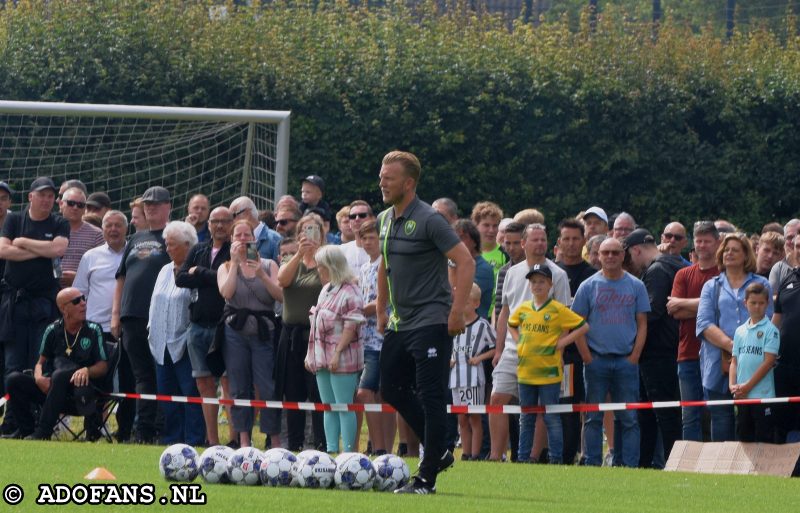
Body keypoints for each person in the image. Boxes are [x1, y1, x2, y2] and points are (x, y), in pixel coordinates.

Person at [376, 150, 474, 494]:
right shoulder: (384, 218)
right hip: (401, 324)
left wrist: (457, 311)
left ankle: (426, 478)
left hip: (432, 320)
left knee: (432, 397)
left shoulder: (431, 219)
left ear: (409, 183)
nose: (382, 183)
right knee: (390, 387)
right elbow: (383, 266)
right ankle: (442, 449)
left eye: (389, 178)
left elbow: (465, 262)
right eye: (381, 176)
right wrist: (381, 309)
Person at [490, 223, 569, 462]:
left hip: (544, 354)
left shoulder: (558, 274)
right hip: (513, 352)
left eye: (543, 239)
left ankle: (532, 457)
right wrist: (499, 348)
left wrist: (559, 351)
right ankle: (496, 456)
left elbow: (565, 319)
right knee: (497, 400)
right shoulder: (511, 273)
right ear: (523, 244)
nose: (540, 244)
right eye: (535, 240)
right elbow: (505, 313)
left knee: (542, 409)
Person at [572, 237, 650, 467]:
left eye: (615, 252)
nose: (610, 257)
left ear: (623, 255)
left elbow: (642, 323)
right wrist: (587, 357)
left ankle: (630, 464)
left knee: (628, 418)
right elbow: (576, 324)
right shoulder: (588, 286)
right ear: (598, 256)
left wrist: (635, 356)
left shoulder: (636, 286)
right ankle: (593, 462)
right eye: (605, 253)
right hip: (596, 360)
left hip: (626, 361)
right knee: (593, 417)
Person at [0, 177, 69, 431]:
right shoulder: (14, 219)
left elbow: (59, 249)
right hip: (14, 305)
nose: (47, 200)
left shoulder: (59, 222)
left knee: (38, 364)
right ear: (31, 197)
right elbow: (4, 251)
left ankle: (36, 422)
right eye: (42, 195)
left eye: (51, 196)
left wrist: (24, 243)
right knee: (13, 365)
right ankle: (12, 422)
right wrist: (43, 249)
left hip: (44, 305)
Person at [2, 287, 107, 440]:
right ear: (64, 309)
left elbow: (103, 366)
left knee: (60, 374)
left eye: (84, 299)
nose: (83, 304)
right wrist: (38, 378)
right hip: (53, 392)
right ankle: (27, 430)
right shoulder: (52, 330)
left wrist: (87, 370)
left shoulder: (93, 329)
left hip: (81, 394)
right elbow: (39, 363)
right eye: (77, 301)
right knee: (13, 380)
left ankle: (43, 432)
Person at [696, 233, 772, 442]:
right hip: (717, 362)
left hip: (755, 364)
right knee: (720, 418)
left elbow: (770, 321)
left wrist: (745, 350)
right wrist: (734, 346)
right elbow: (704, 324)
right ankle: (722, 470)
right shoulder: (711, 286)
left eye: (735, 250)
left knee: (751, 420)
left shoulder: (762, 284)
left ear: (746, 255)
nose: (729, 253)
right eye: (726, 249)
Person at [509, 264, 588, 464]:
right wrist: (519, 342)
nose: (537, 285)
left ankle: (556, 459)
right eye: (534, 282)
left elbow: (582, 326)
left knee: (551, 417)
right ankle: (523, 457)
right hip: (526, 371)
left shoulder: (557, 309)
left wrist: (562, 342)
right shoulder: (524, 308)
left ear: (550, 284)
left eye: (541, 281)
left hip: (549, 373)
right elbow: (511, 324)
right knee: (526, 417)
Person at [112, 185, 172, 443]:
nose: (151, 209)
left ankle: (158, 428)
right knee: (141, 376)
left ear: (168, 207)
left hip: (160, 317)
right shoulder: (135, 239)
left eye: (156, 205)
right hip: (131, 316)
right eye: (147, 205)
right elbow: (121, 277)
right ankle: (142, 429)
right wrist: (116, 314)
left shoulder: (173, 235)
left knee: (160, 374)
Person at [217, 219, 284, 448]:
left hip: (263, 331)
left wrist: (262, 275)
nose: (243, 239)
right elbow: (227, 292)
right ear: (232, 240)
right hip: (235, 332)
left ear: (254, 239)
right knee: (239, 386)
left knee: (266, 386)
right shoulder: (225, 267)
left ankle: (273, 439)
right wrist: (235, 265)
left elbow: (280, 296)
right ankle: (244, 439)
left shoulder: (268, 264)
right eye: (239, 235)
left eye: (247, 235)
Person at [72, 210, 134, 441]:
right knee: (95, 380)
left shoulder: (133, 254)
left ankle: (125, 431)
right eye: (109, 225)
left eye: (118, 225)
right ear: (103, 229)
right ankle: (93, 431)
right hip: (95, 328)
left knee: (127, 381)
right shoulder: (91, 256)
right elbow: (80, 292)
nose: (113, 230)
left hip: (126, 327)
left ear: (126, 229)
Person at [175, 206, 233, 446]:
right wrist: (215, 276)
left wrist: (200, 273)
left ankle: (234, 440)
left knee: (229, 385)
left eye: (224, 221)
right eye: (215, 221)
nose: (219, 225)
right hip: (197, 326)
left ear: (231, 223)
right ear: (208, 224)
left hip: (225, 327)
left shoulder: (236, 251)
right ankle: (212, 440)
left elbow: (232, 282)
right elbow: (180, 278)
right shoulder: (198, 248)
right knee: (203, 384)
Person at [625, 228, 683, 467]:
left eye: (629, 256)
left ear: (636, 250)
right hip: (666, 349)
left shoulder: (656, 270)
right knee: (650, 411)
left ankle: (670, 461)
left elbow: (652, 312)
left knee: (662, 413)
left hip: (657, 351)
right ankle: (646, 462)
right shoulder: (671, 264)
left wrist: (627, 332)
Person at [304, 245, 365, 453]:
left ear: (332, 266)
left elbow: (351, 325)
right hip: (322, 357)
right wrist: (310, 354)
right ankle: (330, 450)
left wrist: (338, 352)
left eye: (321, 267)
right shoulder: (326, 289)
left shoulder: (351, 291)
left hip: (343, 357)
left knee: (344, 406)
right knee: (328, 406)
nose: (318, 270)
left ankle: (348, 451)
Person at [148, 221, 204, 446]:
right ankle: (172, 440)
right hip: (161, 344)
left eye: (172, 244)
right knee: (166, 395)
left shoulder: (195, 270)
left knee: (190, 394)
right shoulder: (164, 270)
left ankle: (194, 440)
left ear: (188, 246)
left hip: (185, 343)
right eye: (166, 244)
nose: (168, 248)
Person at [276, 213, 327, 451]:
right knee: (292, 391)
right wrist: (299, 253)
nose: (309, 236)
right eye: (305, 231)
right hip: (291, 336)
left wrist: (318, 254)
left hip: (319, 336)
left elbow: (329, 283)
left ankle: (320, 443)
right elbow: (282, 281)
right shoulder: (292, 261)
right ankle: (294, 444)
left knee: (318, 392)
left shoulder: (327, 259)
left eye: (314, 231)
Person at [667, 220, 721, 442]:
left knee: (716, 412)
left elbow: (723, 306)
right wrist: (709, 303)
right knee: (689, 414)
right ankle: (690, 461)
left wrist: (685, 303)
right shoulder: (683, 274)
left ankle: (716, 459)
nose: (702, 246)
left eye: (707, 241)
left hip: (717, 353)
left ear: (717, 243)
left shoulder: (724, 274)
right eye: (698, 241)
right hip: (687, 352)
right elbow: (674, 311)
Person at [555, 217, 597, 463]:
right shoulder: (550, 273)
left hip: (589, 351)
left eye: (575, 239)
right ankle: (565, 454)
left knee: (588, 406)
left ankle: (587, 455)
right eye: (566, 239)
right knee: (564, 406)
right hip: (560, 352)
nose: (571, 244)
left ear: (583, 241)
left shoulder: (593, 275)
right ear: (558, 243)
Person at [449, 283, 496, 461]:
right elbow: (447, 345)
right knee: (461, 418)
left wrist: (479, 358)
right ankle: (466, 453)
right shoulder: (453, 323)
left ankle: (476, 454)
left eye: (466, 302)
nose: (462, 306)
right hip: (456, 377)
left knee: (474, 417)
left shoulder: (482, 325)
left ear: (476, 303)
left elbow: (495, 347)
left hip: (474, 378)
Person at [728, 282, 779, 443]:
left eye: (761, 303)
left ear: (767, 303)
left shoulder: (771, 330)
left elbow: (768, 362)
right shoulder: (739, 331)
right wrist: (732, 385)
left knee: (764, 439)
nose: (757, 307)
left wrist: (748, 386)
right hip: (742, 396)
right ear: (745, 303)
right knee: (744, 437)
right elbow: (734, 361)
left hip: (762, 396)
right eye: (753, 302)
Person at [770, 234, 800, 443]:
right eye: (797, 246)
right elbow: (776, 321)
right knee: (783, 419)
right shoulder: (787, 279)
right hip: (785, 365)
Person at [59, 187, 104, 287]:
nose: (75, 207)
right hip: (50, 292)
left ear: (85, 209)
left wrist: (79, 278)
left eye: (80, 205)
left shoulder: (97, 234)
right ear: (61, 204)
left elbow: (103, 269)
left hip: (82, 295)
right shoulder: (51, 229)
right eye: (71, 203)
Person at [453, 219, 494, 320]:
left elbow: (460, 297)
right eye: (455, 237)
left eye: (463, 237)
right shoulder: (453, 263)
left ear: (475, 241)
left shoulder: (483, 269)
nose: (457, 241)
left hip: (474, 329)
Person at [230, 196, 281, 263]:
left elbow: (282, 271)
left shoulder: (275, 239)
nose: (231, 221)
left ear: (247, 213)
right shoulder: (233, 238)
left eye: (233, 215)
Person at [339, 200, 374, 276]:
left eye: (362, 215)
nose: (357, 219)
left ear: (372, 219)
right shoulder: (341, 251)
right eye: (352, 216)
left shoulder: (381, 250)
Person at [769, 219, 800, 293]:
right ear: (784, 241)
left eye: (797, 236)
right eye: (790, 237)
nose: (794, 241)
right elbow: (771, 298)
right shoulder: (778, 268)